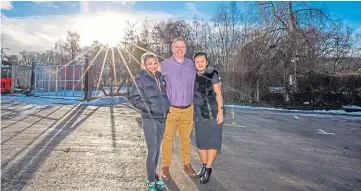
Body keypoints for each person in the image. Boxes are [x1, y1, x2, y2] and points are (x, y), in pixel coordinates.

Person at [130, 52, 170, 191]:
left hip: (162, 119)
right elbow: (134, 99)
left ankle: (153, 175)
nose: (153, 66)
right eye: (150, 63)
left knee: (157, 150)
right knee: (152, 150)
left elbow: (165, 96)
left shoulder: (160, 78)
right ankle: (150, 181)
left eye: (155, 63)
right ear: (144, 65)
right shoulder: (140, 79)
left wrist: (167, 107)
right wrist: (150, 110)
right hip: (150, 119)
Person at [160, 38, 198, 180]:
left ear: (186, 49)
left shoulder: (192, 65)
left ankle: (187, 164)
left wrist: (215, 82)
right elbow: (153, 75)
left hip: (188, 109)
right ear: (172, 48)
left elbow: (203, 75)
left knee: (185, 138)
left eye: (182, 47)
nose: (180, 49)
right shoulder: (165, 65)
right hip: (171, 109)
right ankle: (165, 167)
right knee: (168, 138)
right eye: (177, 47)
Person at [192, 52, 224, 184]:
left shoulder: (212, 74)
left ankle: (208, 168)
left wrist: (220, 112)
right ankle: (204, 165)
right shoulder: (192, 76)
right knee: (201, 144)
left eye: (202, 61)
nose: (199, 64)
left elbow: (218, 94)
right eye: (197, 61)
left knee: (212, 143)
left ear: (206, 62)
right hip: (199, 114)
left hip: (213, 113)